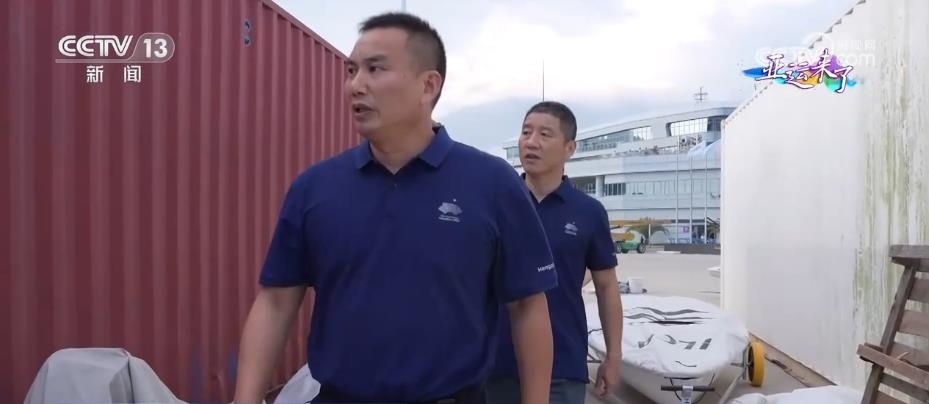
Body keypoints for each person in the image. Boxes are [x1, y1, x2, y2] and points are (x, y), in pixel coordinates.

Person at [232, 12, 559, 404]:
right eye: (351, 70)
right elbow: (276, 302)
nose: (355, 85)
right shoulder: (315, 188)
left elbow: (527, 306)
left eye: (375, 69)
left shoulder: (492, 184)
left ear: (428, 85)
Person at [486, 101, 623, 404]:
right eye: (526, 132)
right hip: (494, 364)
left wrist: (613, 356)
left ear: (569, 148)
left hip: (563, 366)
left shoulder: (588, 212)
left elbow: (606, 286)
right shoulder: (495, 204)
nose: (531, 142)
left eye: (545, 134)